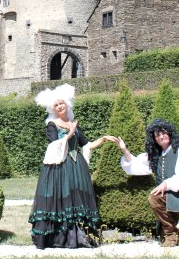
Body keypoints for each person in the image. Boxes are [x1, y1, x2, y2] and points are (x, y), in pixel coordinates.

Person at [28, 84, 117, 249]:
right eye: (56, 105)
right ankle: (61, 238)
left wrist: (104, 138)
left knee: (76, 198)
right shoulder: (52, 125)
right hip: (60, 167)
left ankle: (79, 236)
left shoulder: (73, 123)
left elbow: (87, 145)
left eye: (62, 103)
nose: (60, 106)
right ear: (53, 109)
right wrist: (69, 134)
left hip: (77, 166)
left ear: (67, 104)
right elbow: (54, 146)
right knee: (63, 199)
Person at [117, 119, 179, 247]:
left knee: (154, 198)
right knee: (166, 232)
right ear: (155, 139)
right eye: (157, 135)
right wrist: (124, 150)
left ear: (169, 133)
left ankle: (171, 235)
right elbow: (136, 165)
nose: (161, 136)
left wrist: (165, 184)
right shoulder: (155, 155)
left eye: (163, 133)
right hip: (165, 195)